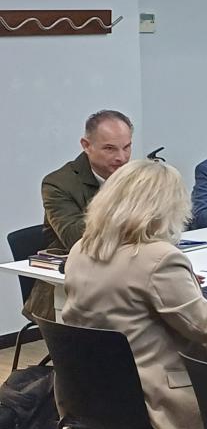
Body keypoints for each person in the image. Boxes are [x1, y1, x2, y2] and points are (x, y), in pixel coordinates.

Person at [59, 160, 207, 429]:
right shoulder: (159, 258)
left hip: (91, 389)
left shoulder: (81, 249)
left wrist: (183, 287)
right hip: (148, 392)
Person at [26, 109, 134, 320]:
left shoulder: (134, 177)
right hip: (74, 284)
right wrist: (118, 198)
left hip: (128, 271)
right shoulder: (58, 183)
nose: (121, 158)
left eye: (127, 147)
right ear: (86, 145)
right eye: (110, 149)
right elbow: (77, 238)